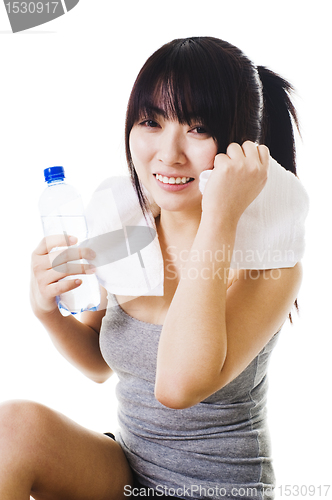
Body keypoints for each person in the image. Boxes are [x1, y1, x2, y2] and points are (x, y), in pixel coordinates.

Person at [0, 37, 303, 500]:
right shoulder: (127, 229)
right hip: (127, 474)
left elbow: (178, 387)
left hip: (219, 490)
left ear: (241, 144)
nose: (169, 153)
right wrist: (45, 310)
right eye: (151, 122)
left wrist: (220, 218)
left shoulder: (269, 266)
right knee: (13, 429)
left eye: (198, 129)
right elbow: (102, 364)